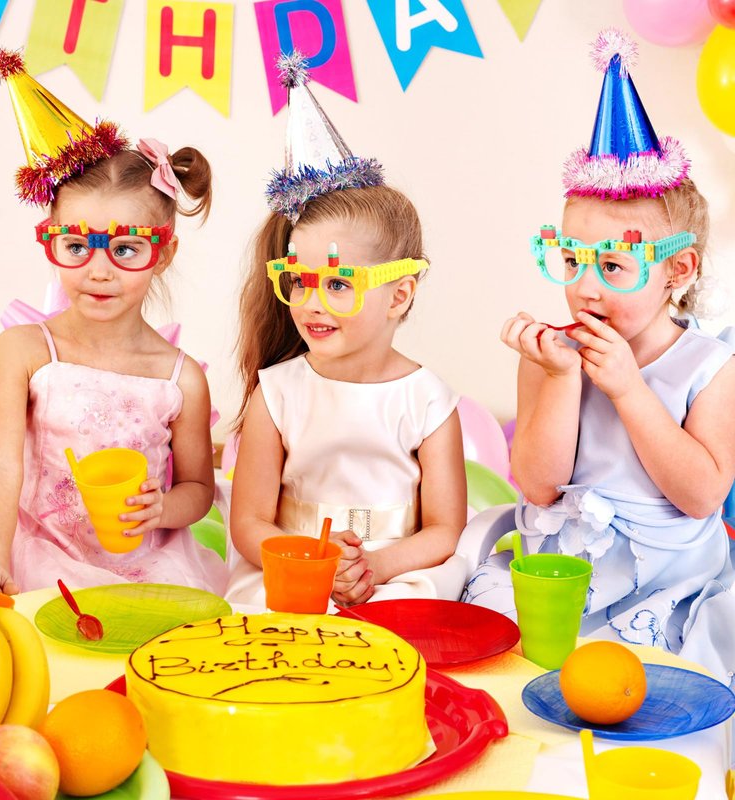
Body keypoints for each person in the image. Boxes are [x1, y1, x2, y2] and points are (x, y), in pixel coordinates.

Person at [465, 31, 735, 682]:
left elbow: (702, 495)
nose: (585, 288)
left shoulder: (710, 365)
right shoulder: (552, 354)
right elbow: (538, 485)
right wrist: (561, 378)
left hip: (666, 578)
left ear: (677, 270)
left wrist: (629, 390)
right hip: (560, 569)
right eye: (572, 261)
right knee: (502, 662)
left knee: (649, 683)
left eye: (612, 265)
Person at [0, 50, 228, 595]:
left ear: (163, 253)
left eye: (126, 248)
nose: (98, 271)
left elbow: (199, 487)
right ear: (53, 241)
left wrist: (163, 508)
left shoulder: (179, 378)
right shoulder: (25, 350)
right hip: (40, 553)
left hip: (143, 564)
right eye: (76, 245)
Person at [226, 53, 467, 608]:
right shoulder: (278, 393)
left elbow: (444, 529)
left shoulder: (428, 401)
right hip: (292, 564)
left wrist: (376, 567)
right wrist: (310, 559)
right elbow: (249, 524)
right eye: (300, 281)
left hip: (395, 574)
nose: (312, 303)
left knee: (413, 621)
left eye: (338, 284)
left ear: (399, 294)